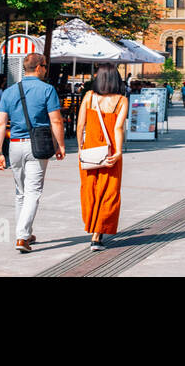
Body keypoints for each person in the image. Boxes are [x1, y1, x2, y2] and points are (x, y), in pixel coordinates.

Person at [0, 54, 64, 254]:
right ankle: (22, 236)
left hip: (14, 146)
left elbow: (0, 124)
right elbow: (56, 121)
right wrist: (59, 145)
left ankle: (25, 231)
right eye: (46, 66)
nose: (46, 69)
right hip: (38, 146)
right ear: (40, 67)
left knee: (20, 192)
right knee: (33, 192)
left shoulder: (9, 92)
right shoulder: (47, 90)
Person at [77, 64, 128, 251]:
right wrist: (119, 151)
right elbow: (118, 128)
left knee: (89, 189)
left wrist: (81, 148)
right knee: (109, 192)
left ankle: (92, 226)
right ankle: (97, 235)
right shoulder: (121, 100)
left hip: (90, 149)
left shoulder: (89, 96)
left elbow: (80, 125)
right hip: (110, 151)